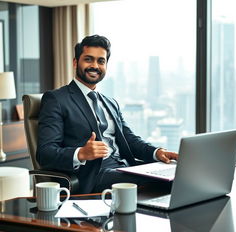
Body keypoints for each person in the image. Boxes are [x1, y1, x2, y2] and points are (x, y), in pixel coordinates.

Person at [36, 34, 178, 194]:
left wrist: (157, 152)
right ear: (76, 63)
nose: (95, 65)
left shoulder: (110, 103)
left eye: (101, 61)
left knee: (177, 173)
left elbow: (130, 140)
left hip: (125, 168)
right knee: (162, 183)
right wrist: (81, 153)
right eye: (88, 59)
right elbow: (45, 153)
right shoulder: (57, 99)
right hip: (94, 175)